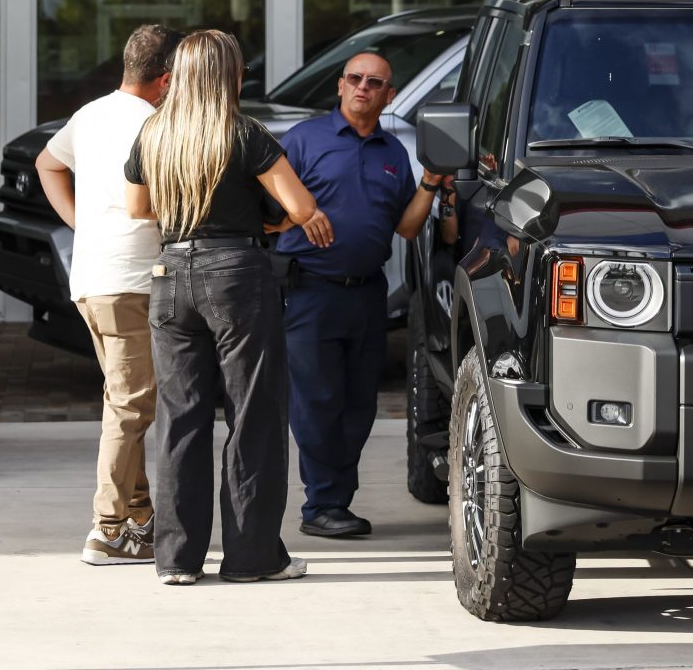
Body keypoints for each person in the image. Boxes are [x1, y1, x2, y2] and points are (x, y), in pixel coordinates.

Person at [124, 29, 335, 586]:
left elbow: (136, 206)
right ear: (229, 75)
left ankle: (175, 559)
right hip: (237, 275)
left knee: (180, 417)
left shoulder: (155, 132)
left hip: (171, 275)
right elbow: (300, 204)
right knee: (253, 416)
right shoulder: (243, 133)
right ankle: (252, 556)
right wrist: (275, 221)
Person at [275, 50, 458, 537]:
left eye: (374, 82)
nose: (363, 87)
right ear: (339, 86)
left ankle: (336, 499)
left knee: (360, 405)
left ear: (389, 95)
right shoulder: (301, 141)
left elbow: (406, 227)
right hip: (309, 290)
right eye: (354, 79)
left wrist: (431, 184)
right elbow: (267, 213)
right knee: (317, 402)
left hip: (367, 294)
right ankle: (322, 505)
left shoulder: (393, 154)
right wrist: (298, 215)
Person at [36, 24, 183, 565]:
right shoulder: (156, 123)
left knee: (126, 400)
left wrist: (82, 225)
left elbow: (46, 165)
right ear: (166, 79)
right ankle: (107, 528)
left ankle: (140, 520)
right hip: (133, 280)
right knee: (130, 405)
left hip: (92, 278)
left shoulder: (90, 113)